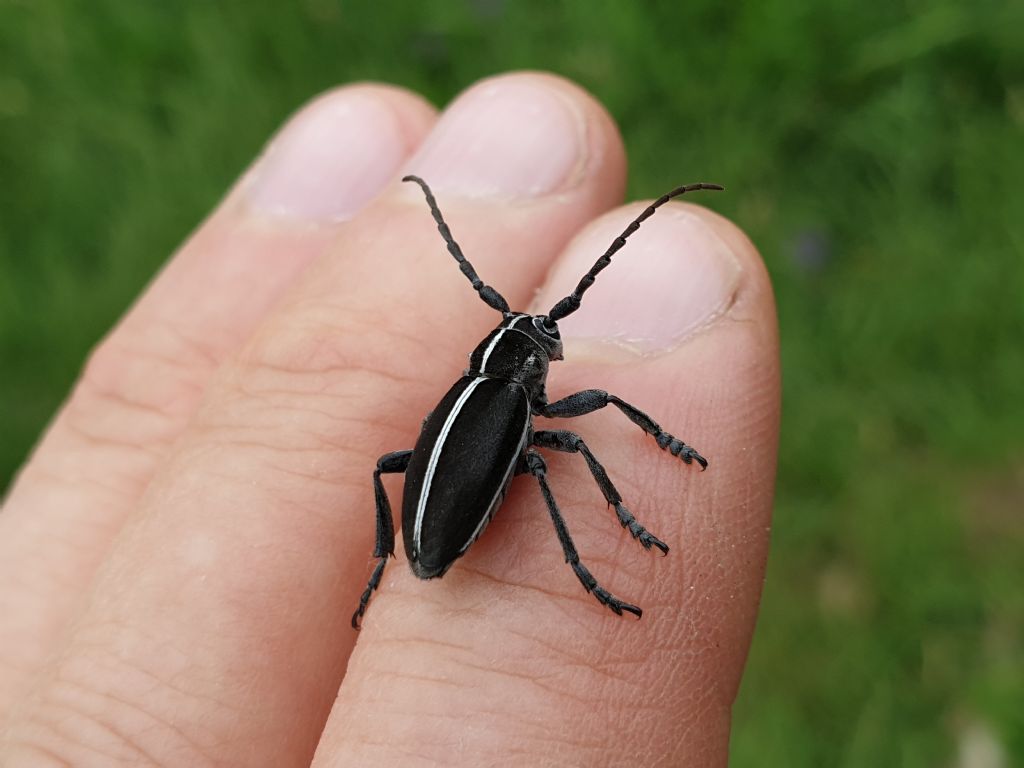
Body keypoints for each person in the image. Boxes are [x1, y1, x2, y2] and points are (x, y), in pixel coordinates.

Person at [0, 72, 779, 765]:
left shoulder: (477, 382)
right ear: (528, 359)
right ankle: (575, 563)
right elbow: (535, 443)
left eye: (544, 330)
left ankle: (409, 563)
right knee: (563, 442)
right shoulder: (506, 396)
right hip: (445, 524)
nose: (550, 336)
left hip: (433, 518)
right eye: (543, 335)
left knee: (500, 453)